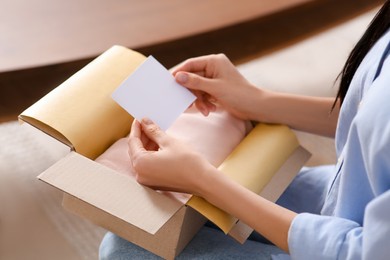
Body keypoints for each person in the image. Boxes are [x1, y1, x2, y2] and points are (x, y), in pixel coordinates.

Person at [99, 2, 390, 259]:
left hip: (358, 242)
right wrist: (257, 101)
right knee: (155, 222)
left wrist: (204, 181)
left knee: (126, 250)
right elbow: (369, 114)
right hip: (356, 192)